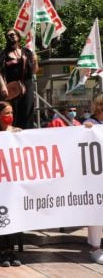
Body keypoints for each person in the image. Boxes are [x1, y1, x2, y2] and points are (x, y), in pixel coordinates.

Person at [0, 101, 23, 267]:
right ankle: (2, 252)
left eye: (12, 112)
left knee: (13, 217)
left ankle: (11, 251)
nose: (10, 116)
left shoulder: (18, 132)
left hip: (12, 183)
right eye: (6, 113)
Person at [0, 29, 37, 130]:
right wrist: (3, 86)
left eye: (12, 35)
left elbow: (34, 71)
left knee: (27, 112)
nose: (10, 37)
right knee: (14, 113)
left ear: (18, 36)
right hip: (12, 88)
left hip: (27, 85)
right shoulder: (4, 54)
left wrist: (35, 61)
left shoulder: (27, 52)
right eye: (8, 36)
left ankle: (28, 135)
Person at [83, 94, 103, 264]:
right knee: (96, 210)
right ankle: (95, 248)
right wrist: (86, 131)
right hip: (95, 175)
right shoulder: (90, 124)